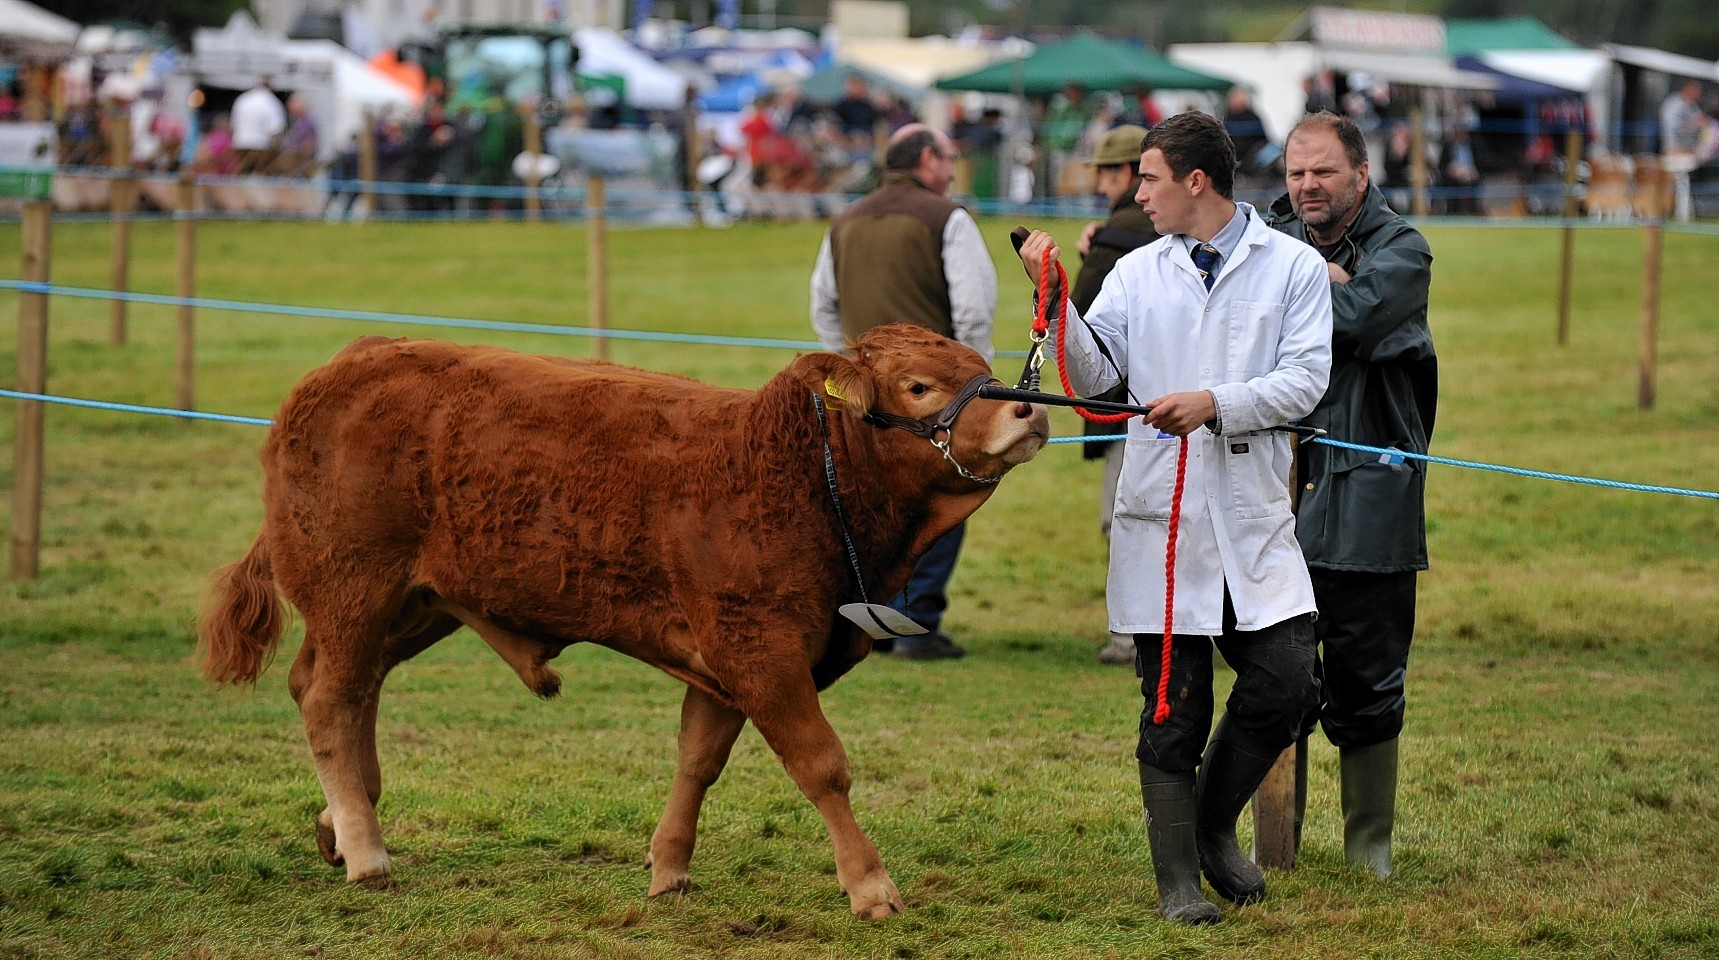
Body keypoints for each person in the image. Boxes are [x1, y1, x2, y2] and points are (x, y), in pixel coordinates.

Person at [1016, 111, 1330, 924]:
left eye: (1148, 178)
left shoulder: (1291, 267)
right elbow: (1097, 383)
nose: (1136, 192)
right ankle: (1177, 884)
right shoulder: (1134, 270)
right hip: (1163, 517)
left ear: (1196, 182)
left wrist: (1214, 404)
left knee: (1288, 677)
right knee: (1172, 707)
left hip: (1250, 514)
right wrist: (1055, 304)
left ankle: (1210, 832)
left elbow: (1304, 382)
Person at [1264, 110, 1435, 880]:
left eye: (1323, 172)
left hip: (1369, 498)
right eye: (1297, 172)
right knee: (1274, 673)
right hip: (1270, 494)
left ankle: (1370, 848)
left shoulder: (1401, 249)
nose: (1306, 186)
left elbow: (1362, 317)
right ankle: (1272, 841)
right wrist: (1316, 280)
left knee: (1368, 675)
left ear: (1360, 176)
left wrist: (1315, 290)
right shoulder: (1267, 232)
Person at [810, 124, 998, 661]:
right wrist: (969, 383)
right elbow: (973, 308)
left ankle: (869, 621)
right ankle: (914, 623)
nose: (954, 166)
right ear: (926, 159)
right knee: (945, 496)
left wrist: (860, 368)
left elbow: (823, 304)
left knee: (866, 504)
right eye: (949, 156)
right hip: (933, 399)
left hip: (864, 399)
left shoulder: (845, 219)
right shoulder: (948, 218)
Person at [1067, 124, 1160, 666]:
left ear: (1123, 172)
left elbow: (1079, 326)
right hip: (1193, 402)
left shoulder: (1116, 235)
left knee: (1126, 519)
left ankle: (1131, 637)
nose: (1100, 186)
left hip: (1129, 407)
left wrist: (1091, 252)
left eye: (1105, 174)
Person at [230, 76, 286, 174]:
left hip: (240, 145)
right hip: (261, 148)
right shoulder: (271, 102)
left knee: (242, 173)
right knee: (260, 174)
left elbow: (233, 125)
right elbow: (276, 130)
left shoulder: (242, 99)